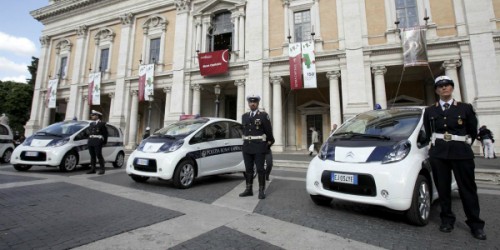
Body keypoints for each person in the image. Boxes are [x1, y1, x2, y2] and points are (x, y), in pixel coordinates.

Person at [423, 75, 486, 240]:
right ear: (436, 90)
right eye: (440, 86)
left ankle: (476, 224)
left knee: (468, 190)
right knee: (443, 189)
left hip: (461, 153)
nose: (444, 88)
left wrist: (463, 144)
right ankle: (447, 220)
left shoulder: (465, 108)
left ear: (452, 88)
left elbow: (473, 131)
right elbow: (429, 132)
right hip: (439, 154)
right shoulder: (430, 111)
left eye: (447, 85)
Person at [239, 94, 274, 199]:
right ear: (248, 103)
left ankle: (261, 190)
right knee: (248, 169)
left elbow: (269, 132)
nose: (252, 104)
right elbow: (244, 131)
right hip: (247, 147)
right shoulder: (244, 116)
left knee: (260, 169)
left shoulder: (263, 115)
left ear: (258, 103)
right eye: (250, 102)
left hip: (259, 146)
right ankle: (248, 189)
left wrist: (267, 144)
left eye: (254, 102)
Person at [86, 110, 108, 175]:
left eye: (93, 115)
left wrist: (104, 142)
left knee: (98, 154)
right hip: (91, 141)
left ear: (97, 116)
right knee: (92, 155)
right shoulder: (91, 124)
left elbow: (105, 134)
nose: (91, 116)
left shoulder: (102, 124)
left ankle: (102, 169)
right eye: (91, 115)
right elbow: (89, 132)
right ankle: (93, 169)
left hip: (98, 141)